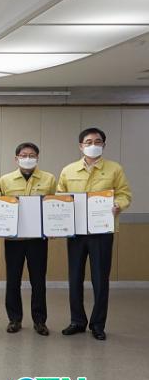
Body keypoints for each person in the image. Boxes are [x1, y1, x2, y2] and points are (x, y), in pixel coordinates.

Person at [57, 127, 131, 340]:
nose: (93, 145)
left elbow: (125, 194)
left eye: (97, 142)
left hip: (102, 232)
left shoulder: (114, 169)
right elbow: (60, 196)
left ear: (104, 145)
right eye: (88, 142)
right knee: (75, 278)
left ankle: (98, 324)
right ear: (81, 146)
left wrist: (118, 205)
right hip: (76, 232)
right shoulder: (68, 170)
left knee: (100, 279)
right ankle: (77, 321)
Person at [0, 142, 55, 336]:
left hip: (38, 240)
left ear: (37, 158)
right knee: (13, 281)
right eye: (24, 155)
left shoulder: (49, 179)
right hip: (13, 240)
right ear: (16, 159)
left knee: (38, 281)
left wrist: (54, 226)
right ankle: (14, 319)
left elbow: (55, 207)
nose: (28, 158)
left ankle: (40, 321)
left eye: (32, 155)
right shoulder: (5, 180)